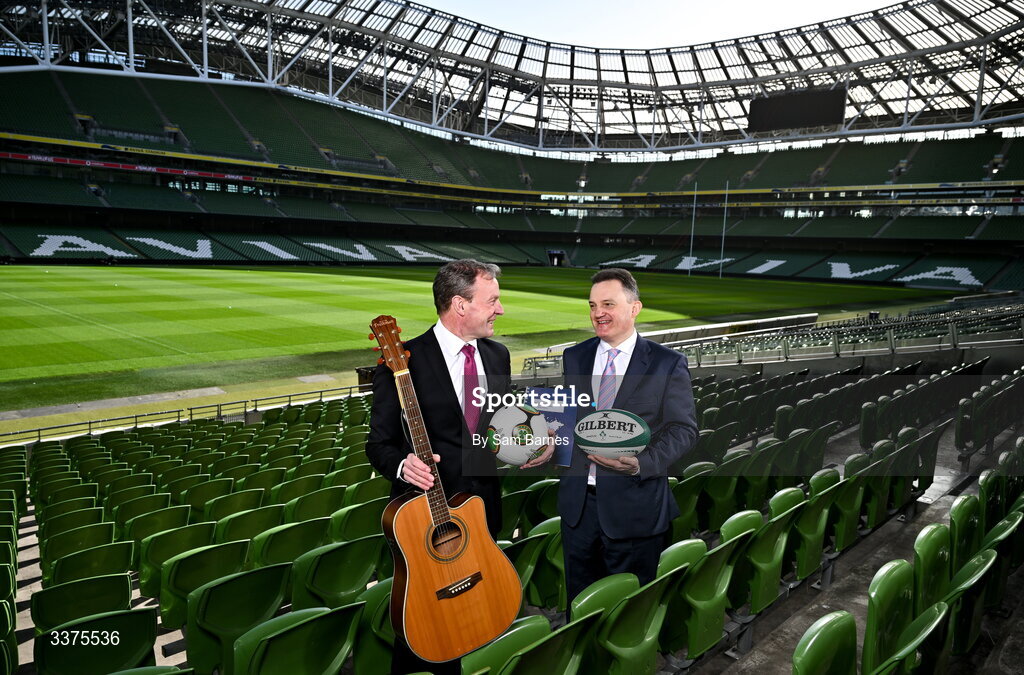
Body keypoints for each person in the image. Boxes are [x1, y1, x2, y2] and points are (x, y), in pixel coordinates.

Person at [366, 259, 511, 675]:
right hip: (429, 529)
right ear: (459, 305)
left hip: (483, 519)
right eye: (493, 300)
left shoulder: (498, 356)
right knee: (427, 644)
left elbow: (497, 432)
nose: (499, 310)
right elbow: (378, 443)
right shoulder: (402, 362)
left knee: (483, 629)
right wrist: (402, 464)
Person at [550, 267, 699, 607]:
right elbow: (569, 419)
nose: (598, 313)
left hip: (636, 508)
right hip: (579, 510)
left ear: (634, 308)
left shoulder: (667, 363)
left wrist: (640, 464)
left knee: (629, 610)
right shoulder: (575, 356)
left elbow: (684, 430)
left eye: (608, 304)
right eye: (591, 305)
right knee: (580, 607)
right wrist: (548, 440)